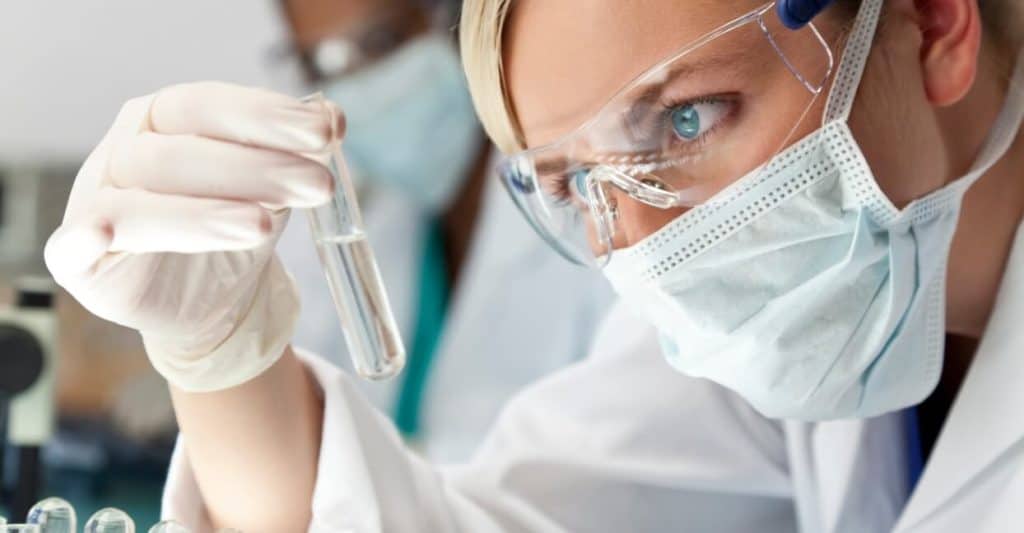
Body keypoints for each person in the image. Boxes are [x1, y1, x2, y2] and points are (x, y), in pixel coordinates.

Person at [43, 0, 1024, 531]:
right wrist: (221, 356)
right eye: (572, 182)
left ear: (934, 22)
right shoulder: (779, 316)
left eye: (688, 118)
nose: (644, 244)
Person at [271, 0, 611, 460]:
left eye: (381, 42)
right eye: (319, 63)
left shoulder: (591, 204)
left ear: (458, 19)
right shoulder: (367, 212)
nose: (359, 87)